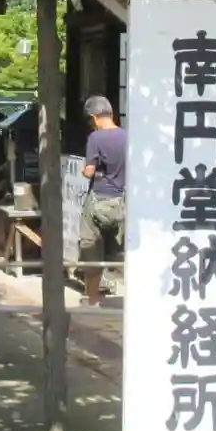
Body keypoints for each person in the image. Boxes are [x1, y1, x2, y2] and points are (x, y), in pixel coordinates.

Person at [79, 94, 126, 306]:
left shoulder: (95, 138)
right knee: (119, 249)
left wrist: (86, 171)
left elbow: (89, 171)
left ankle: (92, 298)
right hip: (120, 202)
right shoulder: (126, 136)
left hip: (98, 199)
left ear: (94, 117)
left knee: (90, 246)